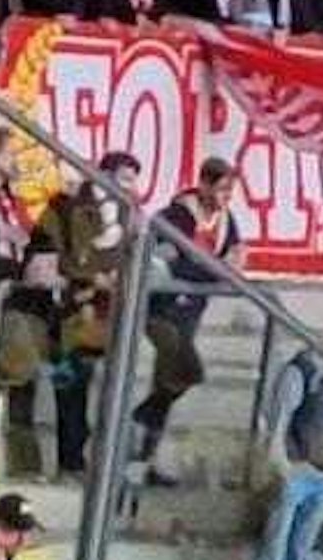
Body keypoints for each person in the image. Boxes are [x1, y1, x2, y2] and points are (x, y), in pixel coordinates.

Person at [131, 157, 242, 485]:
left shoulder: (225, 220)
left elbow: (234, 255)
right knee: (186, 370)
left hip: (193, 309)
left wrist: (215, 266)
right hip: (162, 309)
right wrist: (214, 268)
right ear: (205, 184)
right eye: (221, 188)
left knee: (167, 381)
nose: (226, 197)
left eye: (231, 190)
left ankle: (147, 455)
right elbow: (174, 263)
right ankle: (139, 420)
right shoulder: (177, 215)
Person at [257, 315, 323, 560]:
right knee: (276, 544)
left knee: (304, 545)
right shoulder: (302, 369)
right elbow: (281, 417)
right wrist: (282, 465)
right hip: (297, 466)